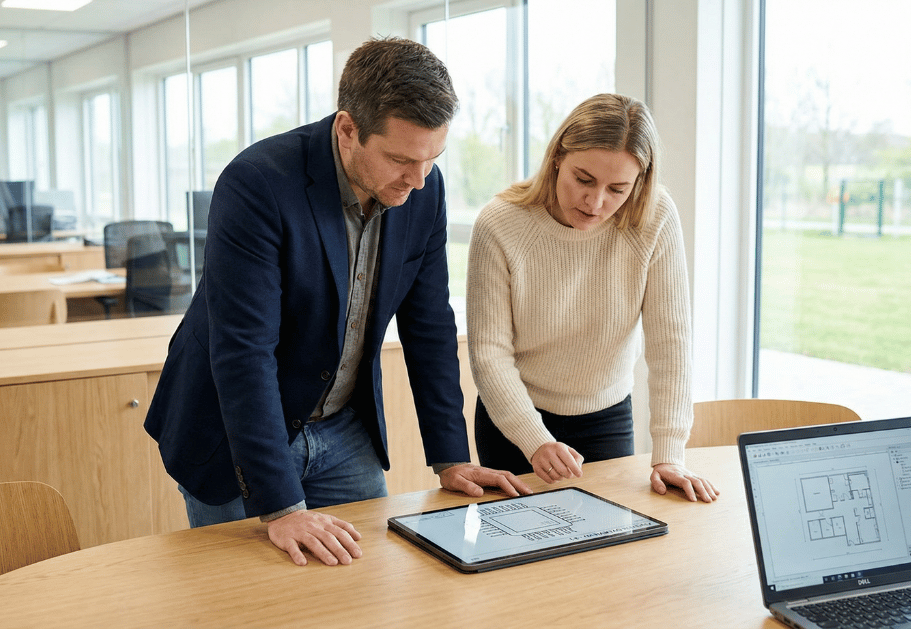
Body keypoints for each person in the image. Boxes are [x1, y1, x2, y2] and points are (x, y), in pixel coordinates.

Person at [145, 36, 531, 568]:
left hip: (343, 430)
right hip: (237, 434)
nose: (418, 180)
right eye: (400, 159)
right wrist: (281, 508)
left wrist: (451, 457)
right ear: (348, 130)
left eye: (432, 158)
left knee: (365, 588)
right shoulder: (257, 183)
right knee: (247, 597)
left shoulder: (425, 188)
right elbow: (244, 351)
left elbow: (429, 326)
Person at [466, 93, 719, 503]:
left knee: (610, 538)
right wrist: (535, 440)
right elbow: (489, 353)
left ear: (639, 183)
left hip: (606, 419)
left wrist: (669, 453)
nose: (596, 202)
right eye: (583, 179)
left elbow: (670, 342)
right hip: (513, 419)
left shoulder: (654, 218)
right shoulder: (501, 223)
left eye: (617, 189)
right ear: (557, 158)